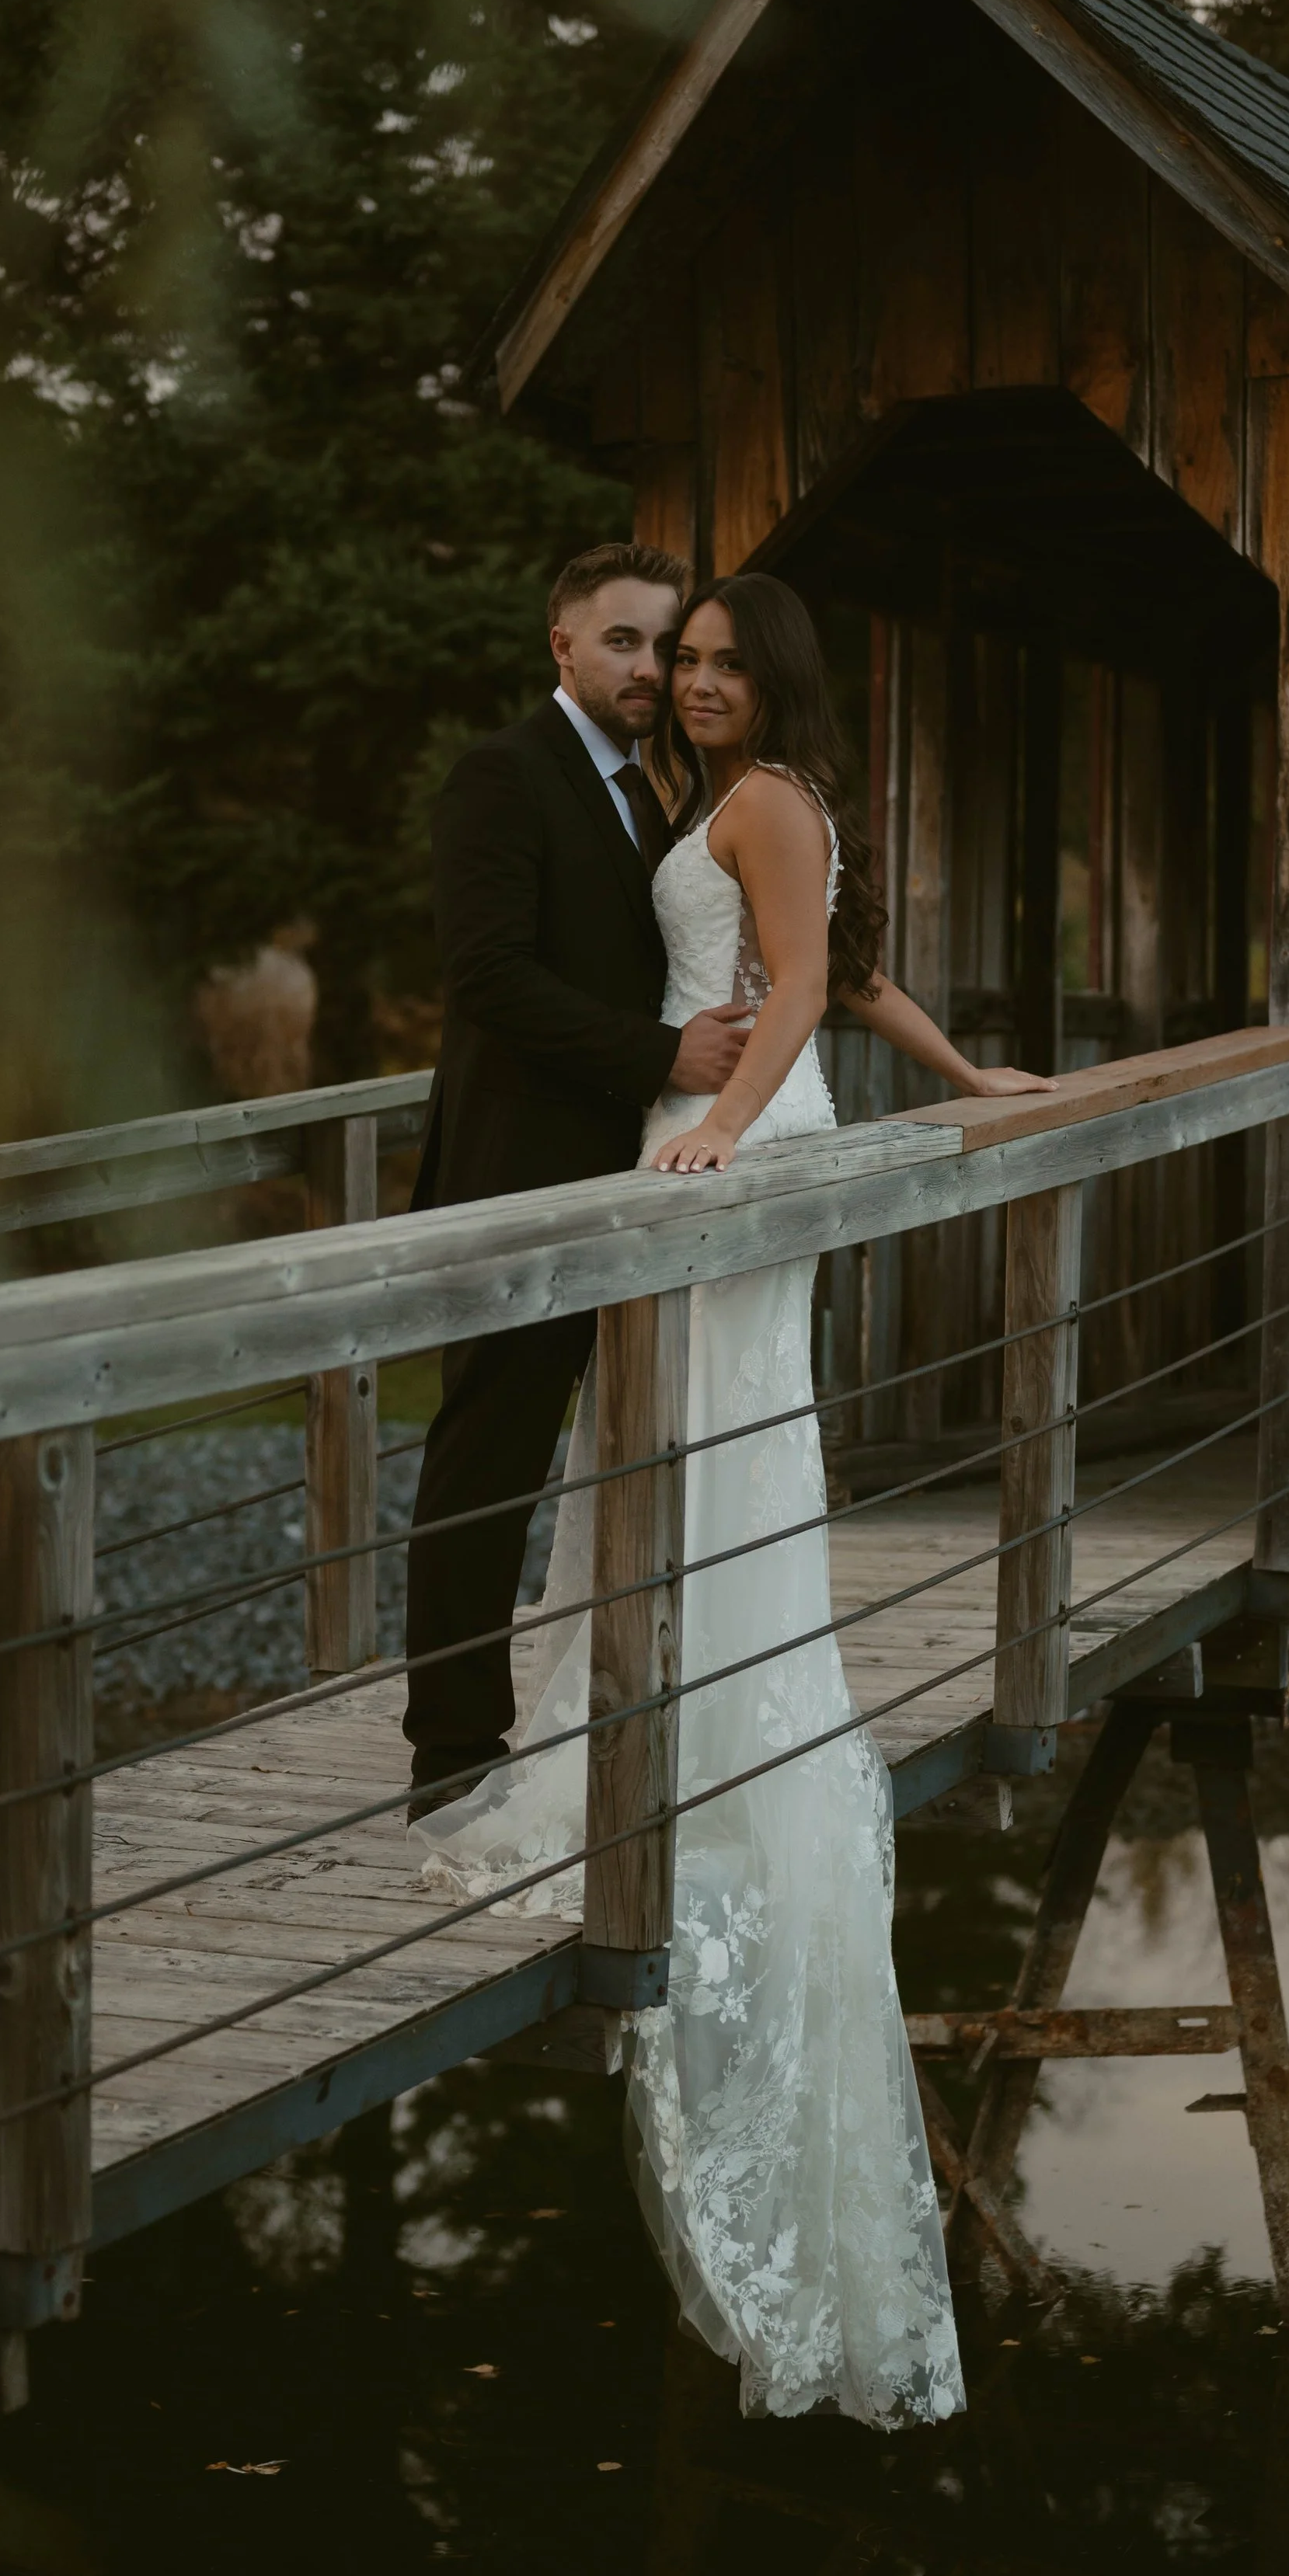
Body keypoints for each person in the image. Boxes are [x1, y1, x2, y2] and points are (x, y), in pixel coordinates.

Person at [416, 573, 1054, 2429]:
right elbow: (834, 969)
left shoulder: (760, 798)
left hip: (724, 1144)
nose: (685, 680)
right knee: (680, 1446)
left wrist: (714, 1120)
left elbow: (788, 992)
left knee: (703, 1440)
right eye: (666, 656)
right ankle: (652, 1713)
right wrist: (954, 1066)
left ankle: (700, 1734)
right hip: (687, 1128)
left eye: (709, 660)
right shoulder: (722, 796)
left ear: (767, 675)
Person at [403, 543, 752, 1810]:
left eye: (667, 646)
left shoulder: (645, 794)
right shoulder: (504, 775)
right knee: (489, 1458)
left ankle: (612, 1711)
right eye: (625, 641)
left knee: (614, 1452)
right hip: (519, 1177)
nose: (651, 669)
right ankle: (451, 1753)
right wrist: (662, 1056)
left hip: (627, 1177)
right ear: (563, 644)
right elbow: (488, 976)